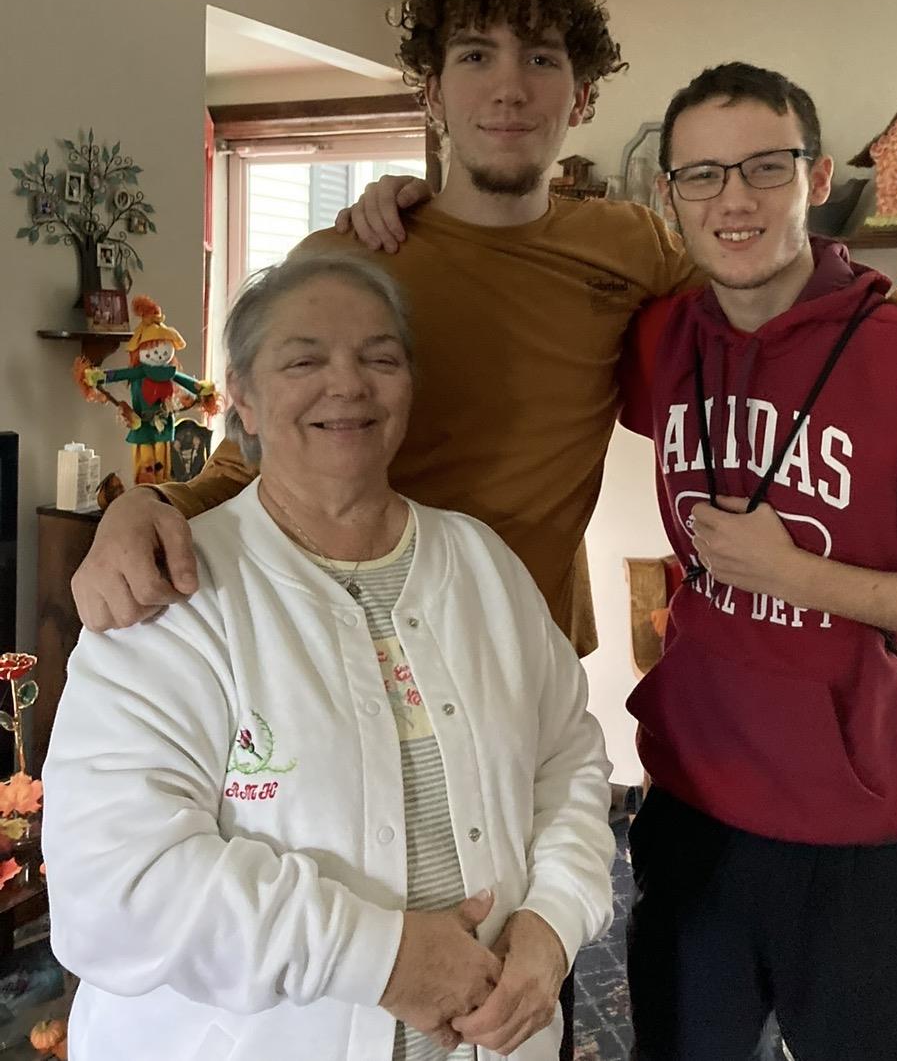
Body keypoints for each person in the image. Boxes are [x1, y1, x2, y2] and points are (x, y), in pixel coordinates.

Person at [68, 0, 897, 1059]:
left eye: (542, 57)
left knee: (521, 963)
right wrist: (139, 502)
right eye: (474, 55)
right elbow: (263, 426)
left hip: (511, 666)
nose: (508, 86)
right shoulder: (357, 253)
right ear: (432, 87)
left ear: (583, 90)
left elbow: (767, 290)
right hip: (310, 664)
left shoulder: (631, 248)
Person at [43, 253, 615, 1061]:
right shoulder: (170, 591)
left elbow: (569, 765)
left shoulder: (484, 565)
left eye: (380, 358)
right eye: (303, 359)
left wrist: (554, 920)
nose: (346, 385)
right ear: (239, 392)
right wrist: (379, 957)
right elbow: (115, 886)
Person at [620, 63, 897, 1061]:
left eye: (766, 166)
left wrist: (800, 577)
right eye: (703, 175)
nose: (733, 198)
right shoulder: (658, 339)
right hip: (691, 811)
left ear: (816, 178)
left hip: (856, 836)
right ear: (669, 196)